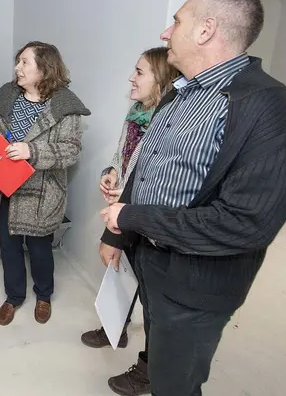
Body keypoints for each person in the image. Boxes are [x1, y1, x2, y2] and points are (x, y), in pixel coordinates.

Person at [99, 0, 286, 396]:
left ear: (205, 30)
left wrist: (130, 218)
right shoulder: (180, 94)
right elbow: (146, 170)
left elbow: (246, 223)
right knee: (161, 361)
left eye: (177, 20)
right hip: (152, 261)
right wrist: (118, 235)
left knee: (177, 384)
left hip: (197, 282)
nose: (165, 32)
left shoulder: (268, 108)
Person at [0, 41, 90, 326]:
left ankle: (44, 295)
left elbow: (71, 150)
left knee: (39, 249)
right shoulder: (7, 94)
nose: (17, 68)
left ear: (44, 68)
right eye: (17, 61)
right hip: (3, 185)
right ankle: (14, 297)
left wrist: (31, 152)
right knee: (8, 245)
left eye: (24, 62)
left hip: (41, 193)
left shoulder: (64, 105)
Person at [80, 46, 179, 352]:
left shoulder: (171, 122)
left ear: (160, 77)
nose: (131, 78)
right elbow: (124, 154)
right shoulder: (136, 112)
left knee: (150, 291)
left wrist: (128, 195)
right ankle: (115, 327)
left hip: (145, 213)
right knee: (116, 266)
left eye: (139, 72)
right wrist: (111, 172)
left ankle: (151, 363)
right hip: (123, 207)